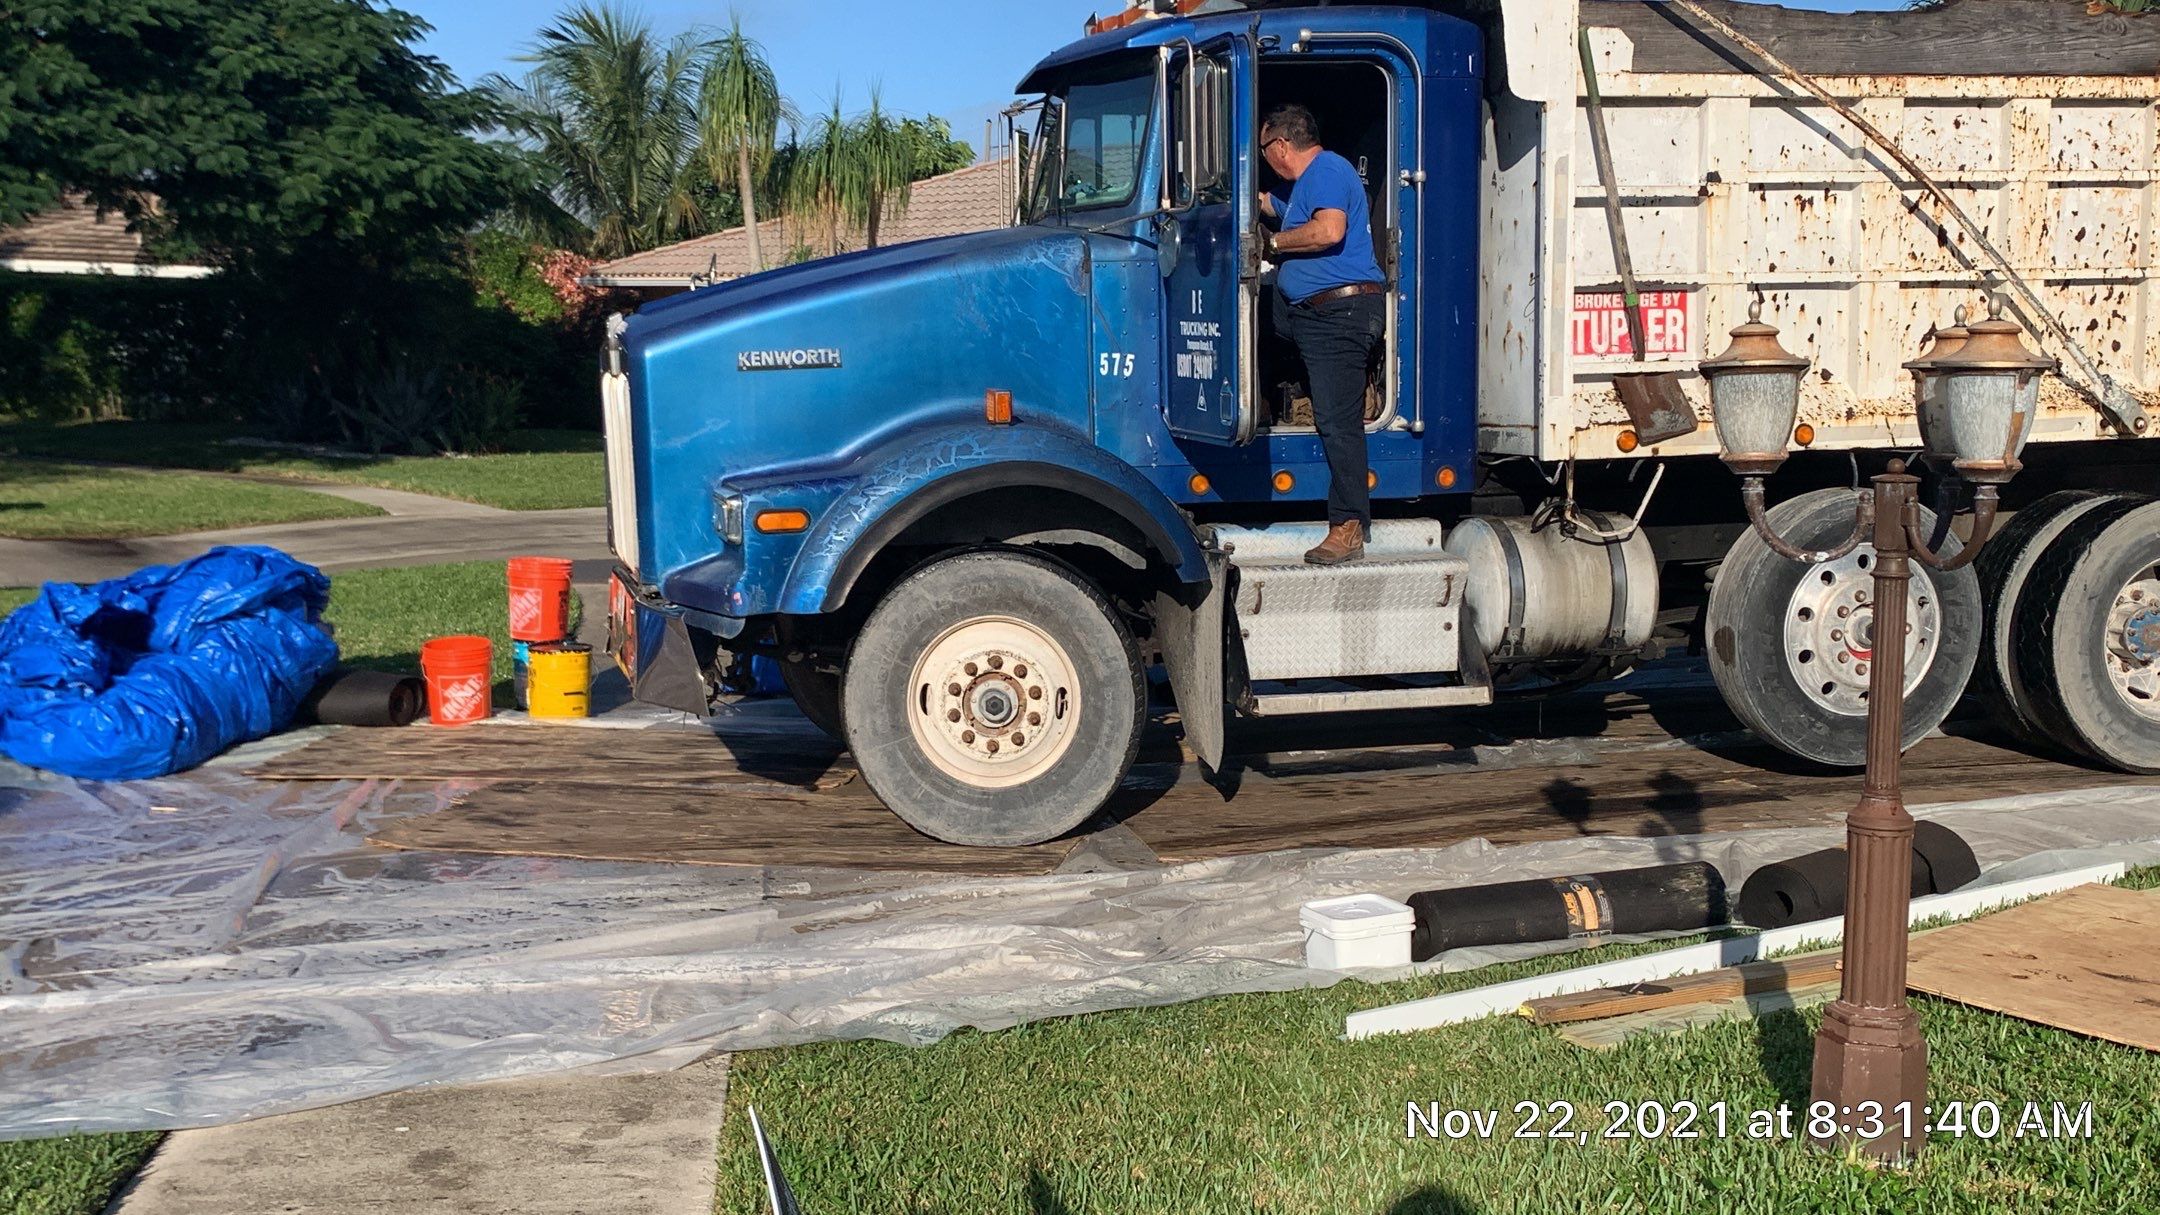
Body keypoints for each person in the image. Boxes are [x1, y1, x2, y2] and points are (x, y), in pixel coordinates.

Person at [1257, 103, 1389, 566]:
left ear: (1280, 146)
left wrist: (1271, 243)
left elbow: (1328, 231)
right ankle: (1267, 402)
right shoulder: (1298, 189)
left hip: (1341, 311)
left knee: (1336, 421)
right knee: (1254, 312)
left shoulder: (1328, 169)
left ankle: (1348, 526)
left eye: (1262, 149)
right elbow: (1267, 203)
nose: (1264, 157)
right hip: (1308, 313)